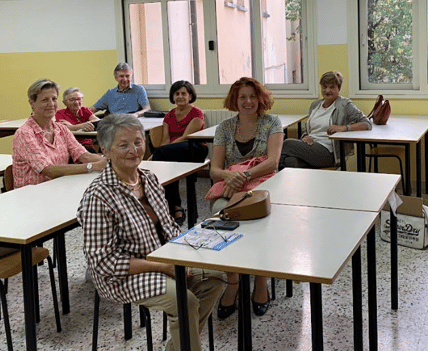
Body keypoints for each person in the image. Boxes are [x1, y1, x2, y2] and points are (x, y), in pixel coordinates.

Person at [77, 114, 223, 351]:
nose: (134, 150)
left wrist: (186, 255)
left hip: (163, 260)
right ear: (105, 149)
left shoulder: (149, 179)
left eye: (138, 142)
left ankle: (177, 347)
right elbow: (103, 262)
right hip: (122, 276)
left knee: (215, 277)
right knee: (185, 301)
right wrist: (163, 267)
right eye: (123, 145)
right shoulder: (99, 196)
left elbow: (169, 228)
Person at [209, 77, 283, 319]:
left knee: (259, 221)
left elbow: (273, 162)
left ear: (260, 98)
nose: (248, 101)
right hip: (231, 187)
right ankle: (233, 280)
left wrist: (245, 174)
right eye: (243, 97)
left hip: (263, 186)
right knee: (221, 215)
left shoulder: (272, 123)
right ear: (235, 100)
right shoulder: (224, 128)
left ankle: (260, 282)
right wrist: (231, 178)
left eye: (252, 96)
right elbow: (214, 170)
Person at [12, 79, 106, 188]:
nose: (51, 104)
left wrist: (109, 161)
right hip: (30, 196)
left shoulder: (62, 129)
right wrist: (93, 166)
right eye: (45, 100)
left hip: (58, 187)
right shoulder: (24, 134)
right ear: (32, 103)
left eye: (54, 99)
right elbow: (48, 169)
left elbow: (83, 155)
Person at [279, 70, 371, 170]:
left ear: (338, 88)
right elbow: (307, 128)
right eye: (324, 87)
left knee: (287, 144)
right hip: (311, 149)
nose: (327, 90)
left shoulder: (344, 104)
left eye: (332, 87)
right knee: (291, 162)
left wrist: (344, 128)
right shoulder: (315, 105)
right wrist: (305, 136)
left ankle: (270, 176)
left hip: (329, 152)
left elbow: (367, 123)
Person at [152, 80, 207, 225]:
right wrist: (158, 152)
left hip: (194, 148)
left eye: (184, 93)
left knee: (161, 157)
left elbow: (185, 138)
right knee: (165, 164)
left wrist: (160, 152)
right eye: (177, 94)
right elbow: (165, 139)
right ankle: (173, 206)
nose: (180, 96)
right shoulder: (169, 115)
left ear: (190, 96)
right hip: (171, 151)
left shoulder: (197, 112)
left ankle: (170, 207)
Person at [55, 87, 100, 152]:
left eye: (79, 99)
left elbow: (97, 120)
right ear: (65, 102)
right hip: (70, 147)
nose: (76, 102)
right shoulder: (60, 113)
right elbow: (62, 128)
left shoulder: (85, 110)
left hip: (87, 145)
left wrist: (72, 127)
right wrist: (81, 126)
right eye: (72, 100)